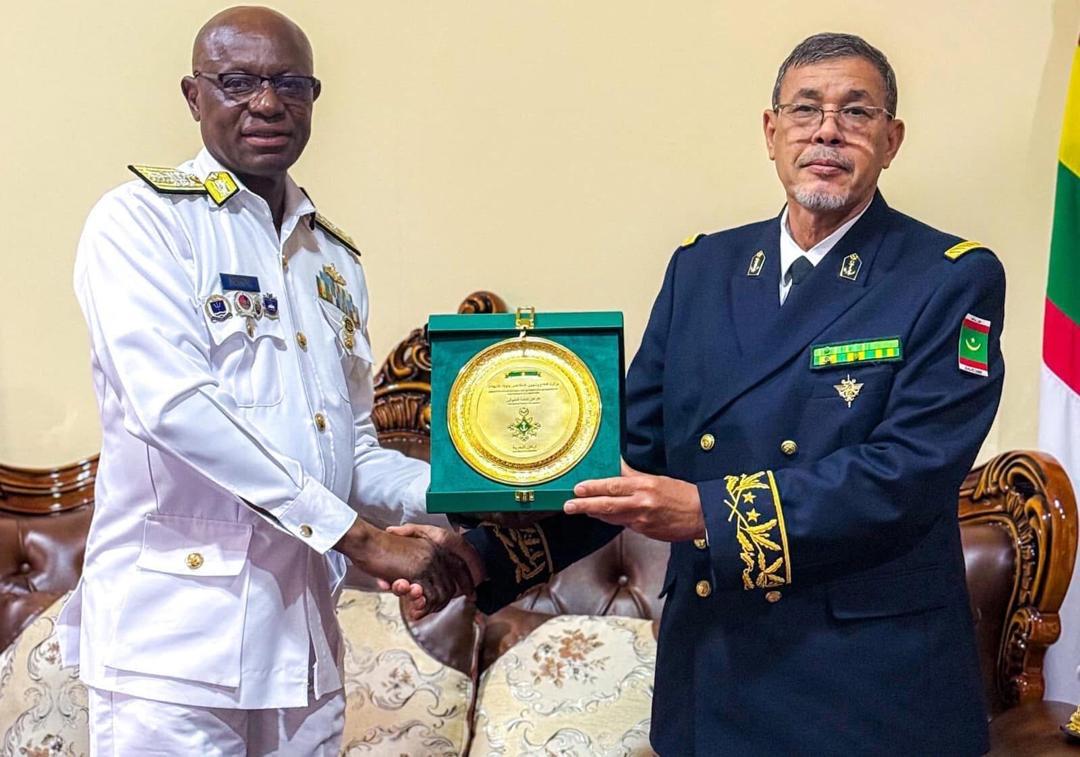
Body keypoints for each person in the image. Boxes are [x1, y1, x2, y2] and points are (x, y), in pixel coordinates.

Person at [395, 32, 1005, 755]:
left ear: (891, 139)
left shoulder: (947, 277)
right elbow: (630, 458)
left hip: (867, 684)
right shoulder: (703, 268)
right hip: (715, 670)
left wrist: (707, 512)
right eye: (805, 109)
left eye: (856, 111)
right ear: (771, 132)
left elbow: (906, 473)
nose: (827, 131)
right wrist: (481, 556)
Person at [57, 6, 470, 754]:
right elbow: (176, 408)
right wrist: (363, 539)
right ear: (194, 96)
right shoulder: (142, 222)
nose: (268, 103)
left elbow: (352, 448)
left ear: (314, 98)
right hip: (171, 650)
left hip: (301, 645)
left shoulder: (332, 257)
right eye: (238, 82)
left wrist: (472, 488)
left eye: (290, 84)